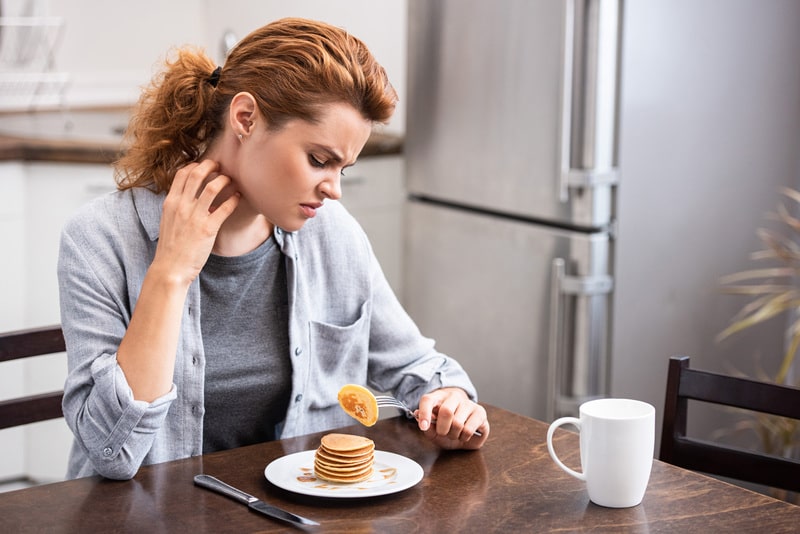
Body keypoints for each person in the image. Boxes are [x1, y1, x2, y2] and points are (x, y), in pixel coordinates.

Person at [58, 17, 489, 481]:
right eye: (319, 160)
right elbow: (112, 453)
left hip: (294, 514)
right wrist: (172, 272)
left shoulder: (332, 234)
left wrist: (452, 403)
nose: (333, 190)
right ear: (246, 119)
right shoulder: (100, 238)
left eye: (342, 168)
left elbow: (419, 368)